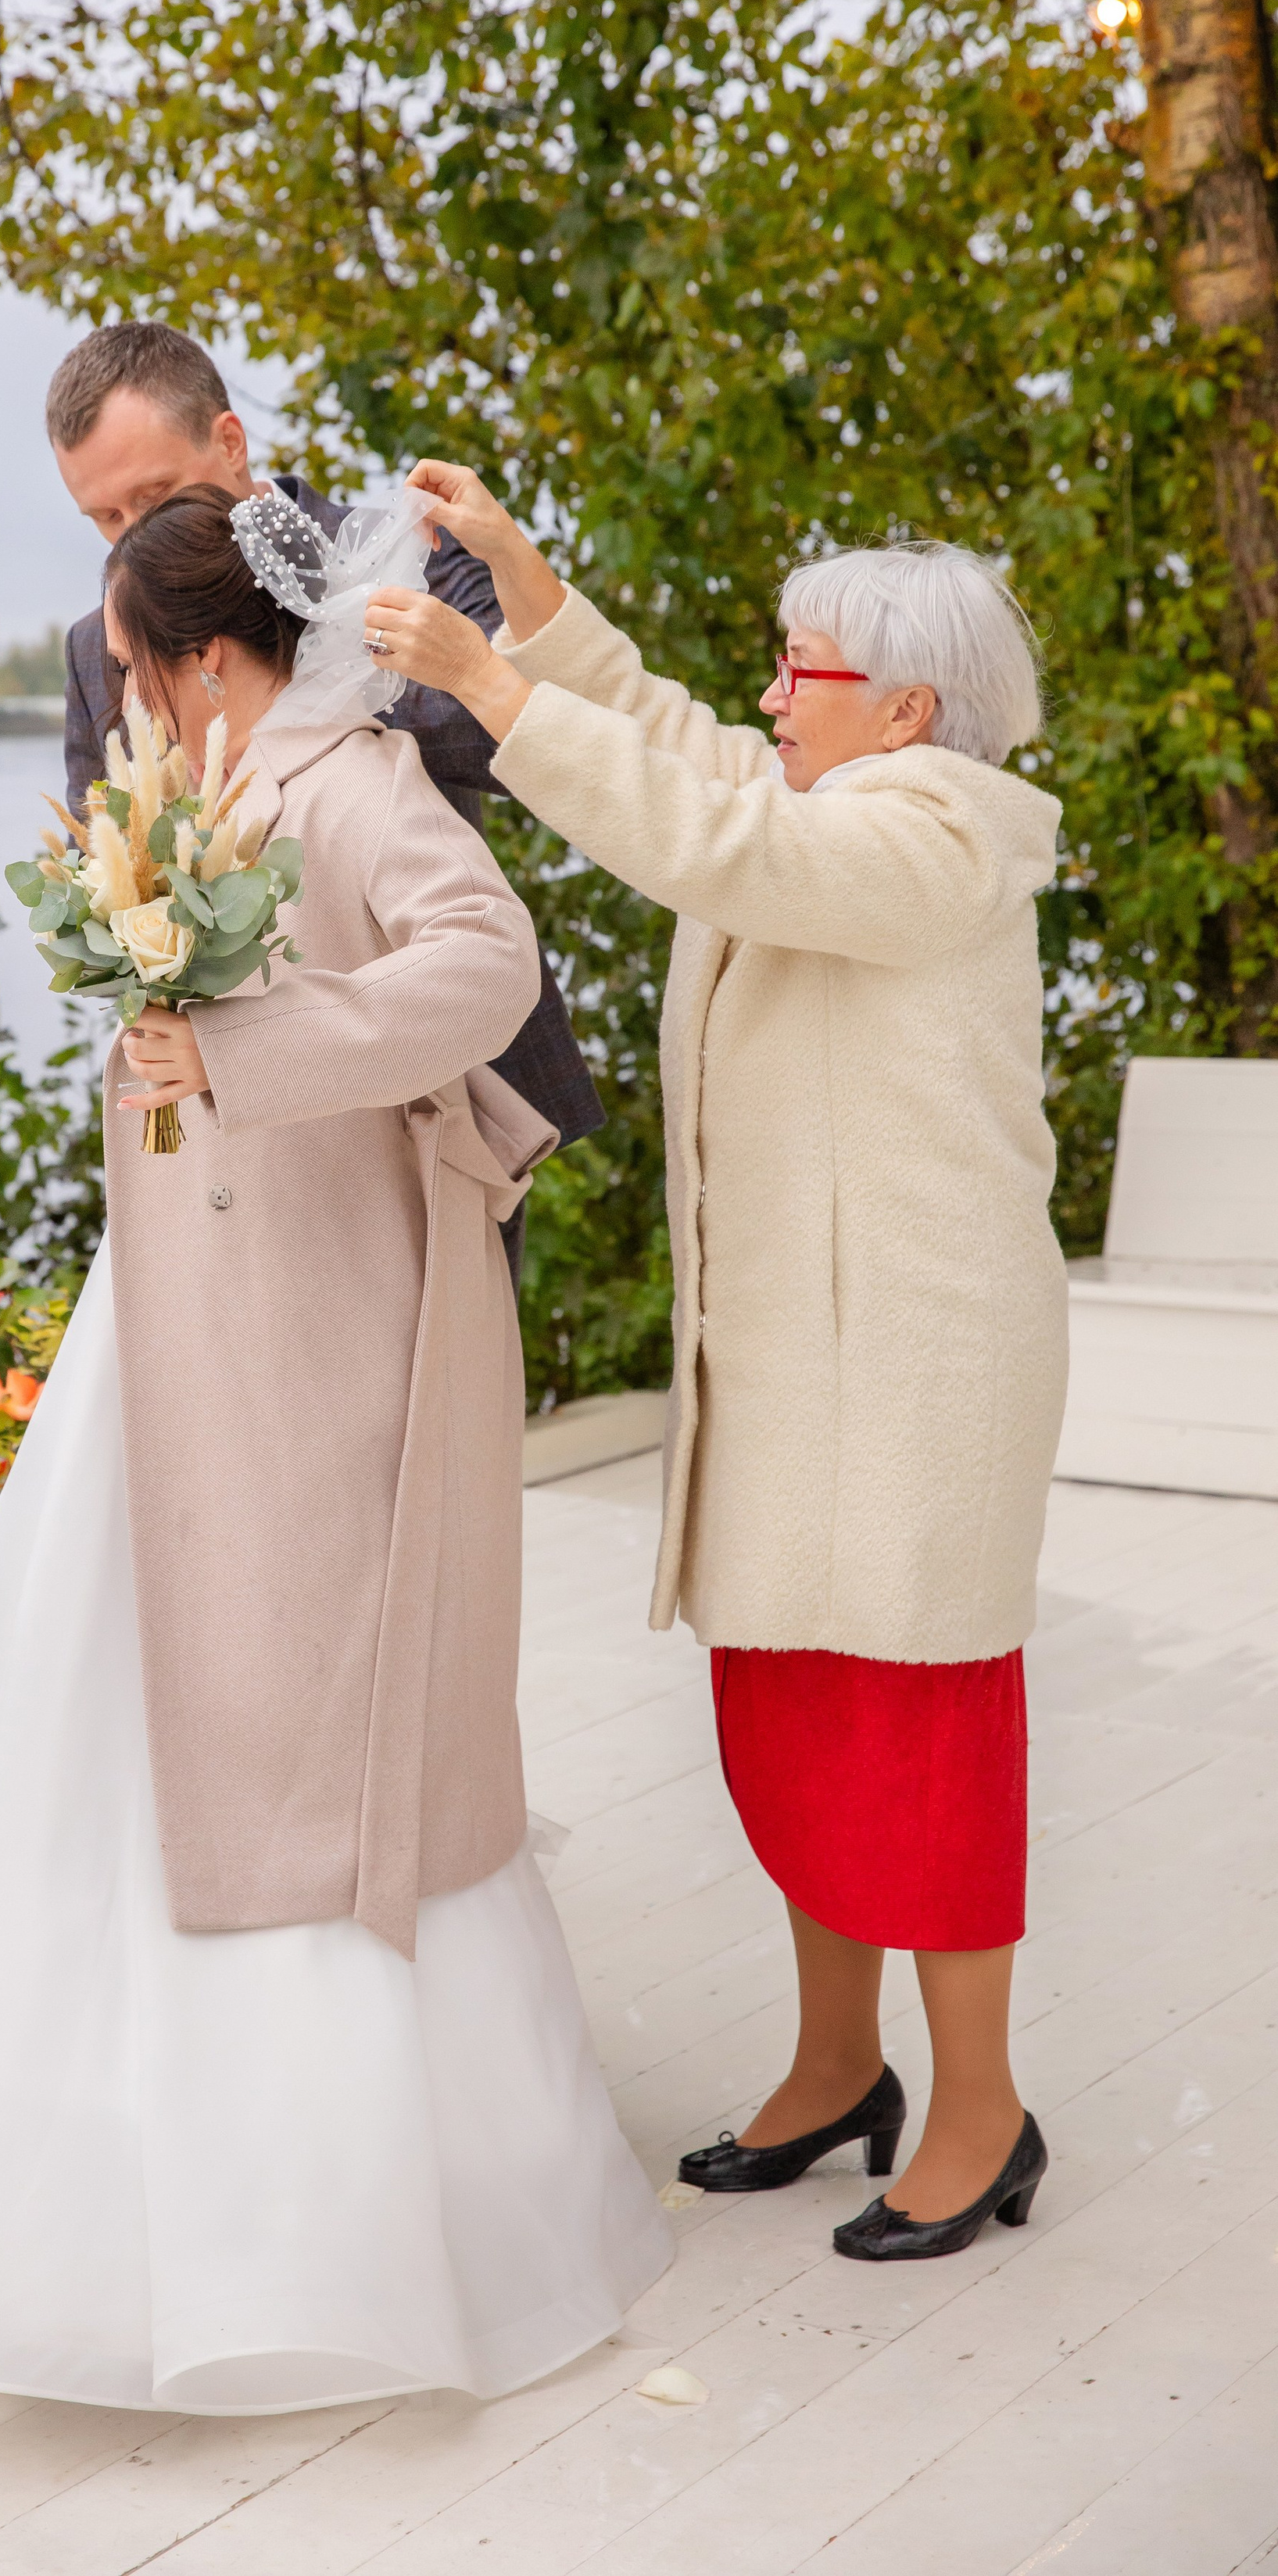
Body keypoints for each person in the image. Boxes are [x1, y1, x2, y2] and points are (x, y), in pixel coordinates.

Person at [0, 477, 672, 2407]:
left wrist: (246, 1045)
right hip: (175, 1319)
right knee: (100, 1674)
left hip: (314, 1323)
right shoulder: (201, 790)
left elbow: (482, 968)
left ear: (210, 654)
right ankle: (52, 2186)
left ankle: (319, 2215)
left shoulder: (354, 777)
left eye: (130, 660)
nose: (114, 690)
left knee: (289, 1687)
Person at [363, 475, 1065, 2265]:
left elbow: (704, 834)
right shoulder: (822, 788)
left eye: (796, 665)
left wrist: (489, 689)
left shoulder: (934, 836)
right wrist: (529, 596)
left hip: (910, 1366)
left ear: (901, 707)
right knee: (791, 1714)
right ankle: (839, 2062)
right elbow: (676, 743)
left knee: (916, 1731)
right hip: (798, 1353)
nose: (766, 691)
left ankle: (977, 2106)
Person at [45, 321, 604, 1278]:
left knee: (431, 1397)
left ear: (230, 441)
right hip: (229, 1099)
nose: (130, 537)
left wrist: (298, 691)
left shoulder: (403, 552)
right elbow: (107, 852)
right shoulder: (100, 635)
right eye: (103, 517)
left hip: (435, 1072)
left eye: (153, 496)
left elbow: (533, 735)